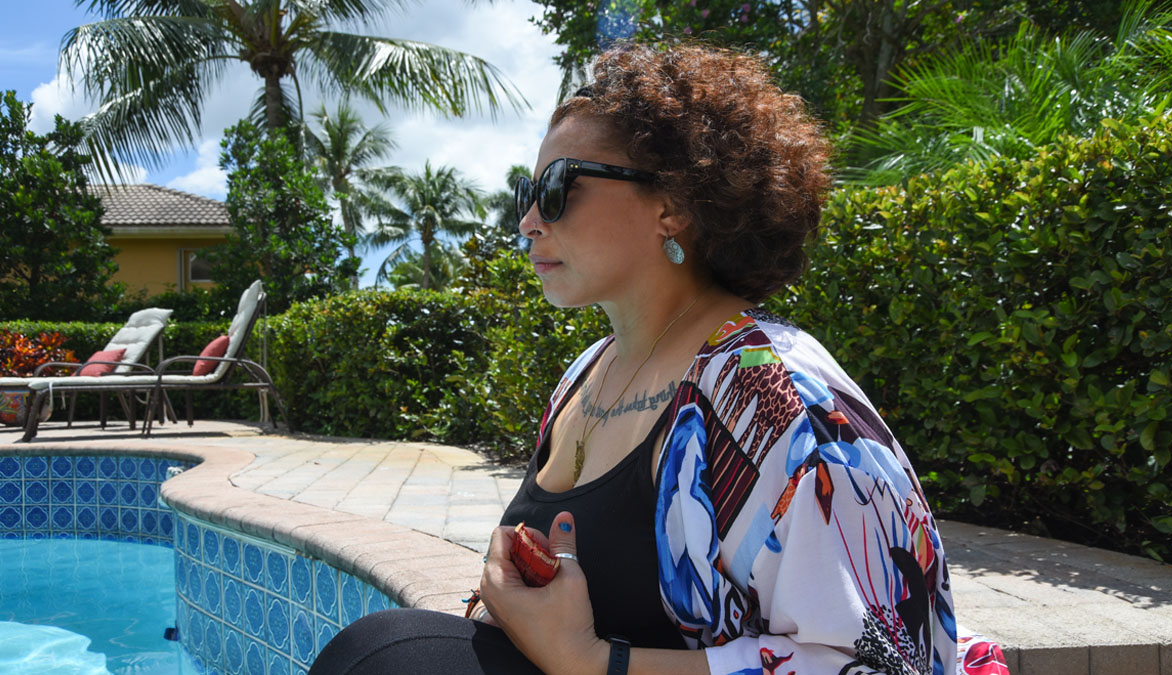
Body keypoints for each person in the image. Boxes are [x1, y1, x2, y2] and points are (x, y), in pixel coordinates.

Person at [311, 42, 968, 675]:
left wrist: (595, 663)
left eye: (560, 187)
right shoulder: (585, 376)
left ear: (672, 205)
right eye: (526, 192)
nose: (530, 221)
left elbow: (879, 662)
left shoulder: (774, 398)